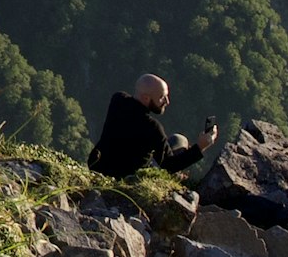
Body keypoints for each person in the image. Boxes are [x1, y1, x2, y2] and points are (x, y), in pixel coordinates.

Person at [90, 72, 221, 181]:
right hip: (126, 178)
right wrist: (200, 147)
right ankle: (179, 178)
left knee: (173, 142)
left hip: (99, 166)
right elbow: (169, 165)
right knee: (180, 141)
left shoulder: (117, 100)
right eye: (162, 98)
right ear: (146, 98)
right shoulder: (152, 128)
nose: (167, 102)